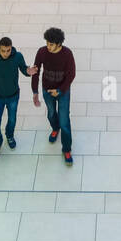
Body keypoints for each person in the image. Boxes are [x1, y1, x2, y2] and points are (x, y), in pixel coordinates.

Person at [27, 26, 75, 165]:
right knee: (51, 114)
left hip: (62, 91)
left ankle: (66, 149)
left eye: (51, 44)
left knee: (64, 120)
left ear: (59, 44)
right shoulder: (42, 52)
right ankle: (55, 128)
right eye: (47, 43)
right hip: (47, 90)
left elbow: (71, 75)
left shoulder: (67, 54)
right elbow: (35, 71)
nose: (48, 46)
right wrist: (35, 92)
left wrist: (59, 91)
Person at [0, 37, 30, 158]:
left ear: (11, 48)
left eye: (8, 50)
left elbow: (24, 69)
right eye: (3, 50)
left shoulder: (18, 56)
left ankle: (9, 135)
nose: (6, 53)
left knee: (12, 120)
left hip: (13, 96)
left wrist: (29, 71)